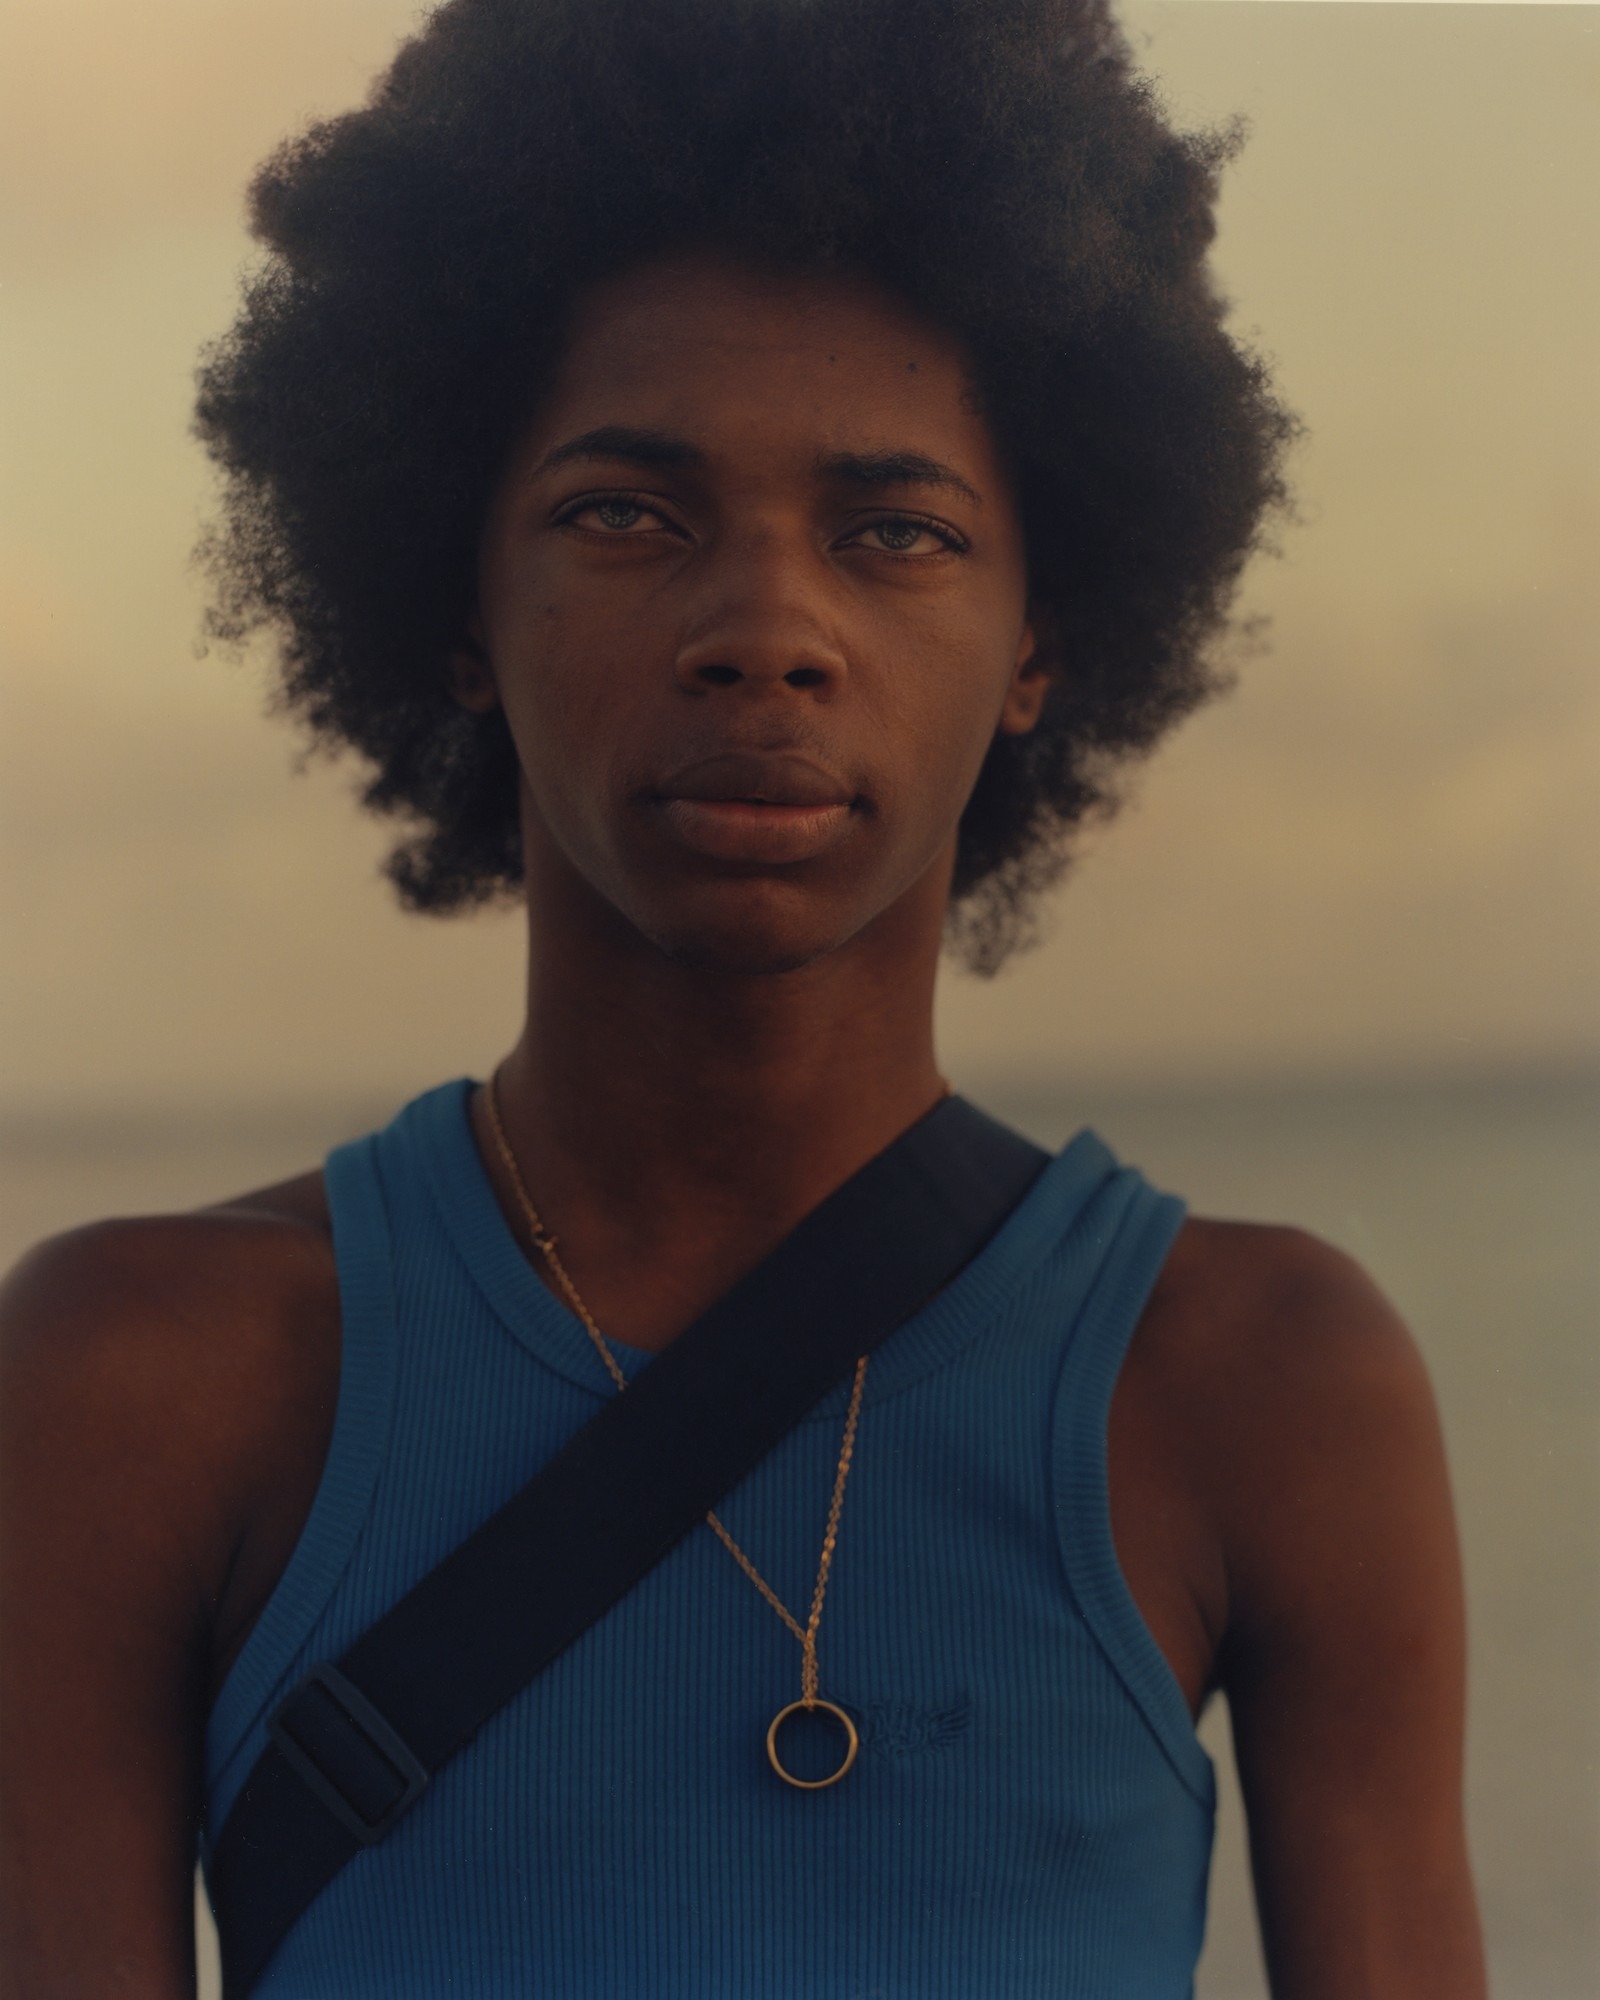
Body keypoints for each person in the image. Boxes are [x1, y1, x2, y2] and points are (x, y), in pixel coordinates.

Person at [0, 0, 1487, 1992]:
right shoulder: (141, 1380)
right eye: (627, 513)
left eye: (895, 532)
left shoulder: (1257, 1384)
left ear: (1037, 638)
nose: (766, 631)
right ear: (456, 605)